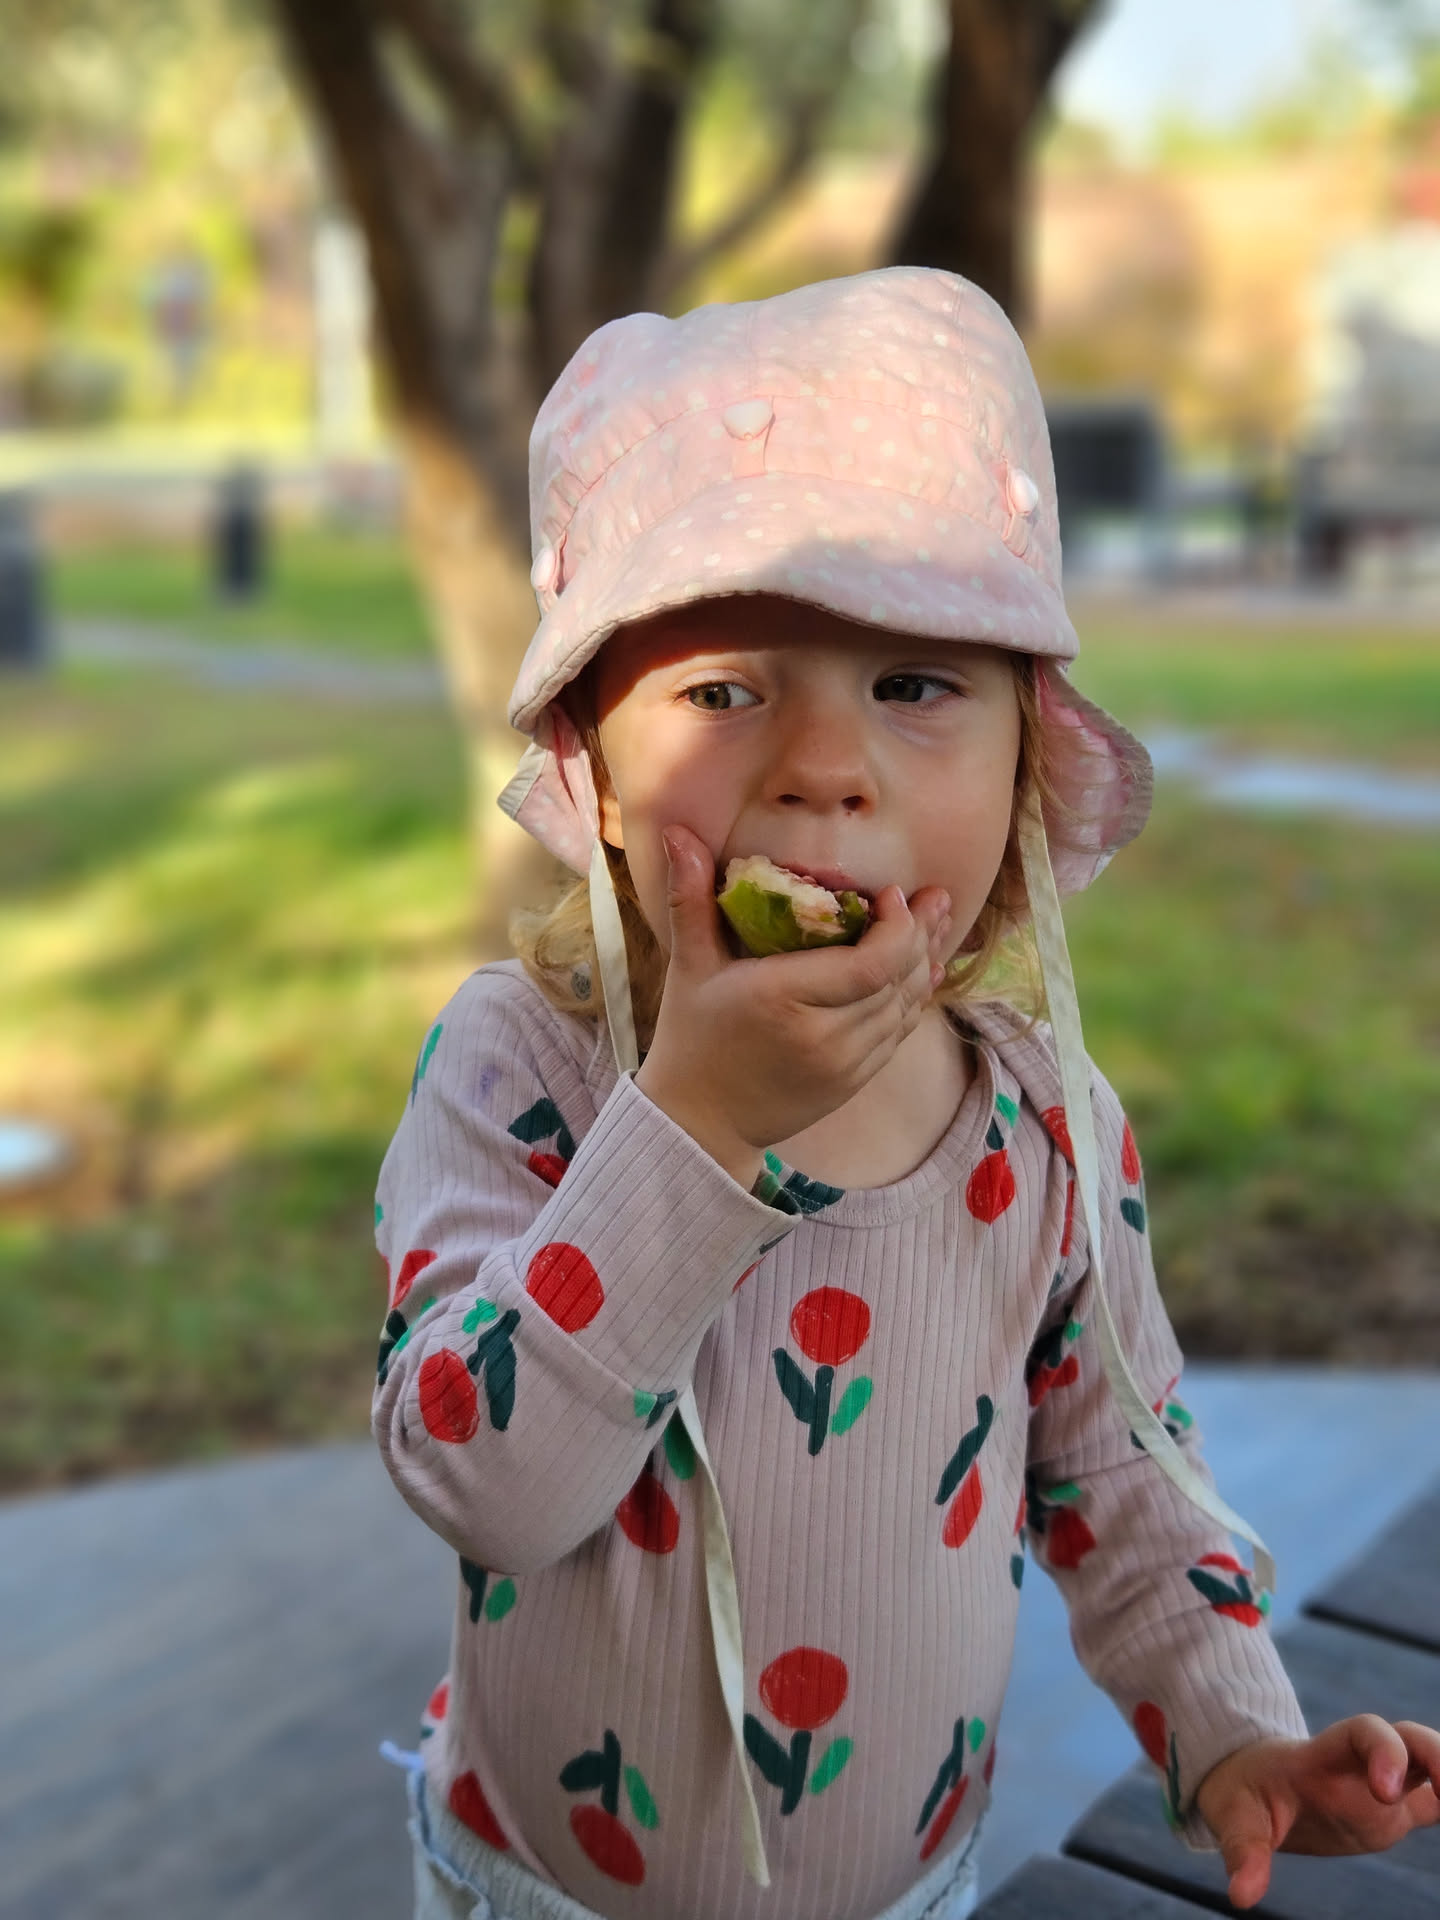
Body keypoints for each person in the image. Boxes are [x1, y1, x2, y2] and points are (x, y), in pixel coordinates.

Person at [374, 268, 1440, 1920]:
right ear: (594, 763)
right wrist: (694, 1123)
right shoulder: (520, 1070)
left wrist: (1236, 1735)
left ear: (1025, 761)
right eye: (725, 692)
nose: (825, 767)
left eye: (916, 685)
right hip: (544, 1890)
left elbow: (1127, 1479)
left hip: (906, 1890)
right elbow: (481, 1492)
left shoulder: (1041, 1130)